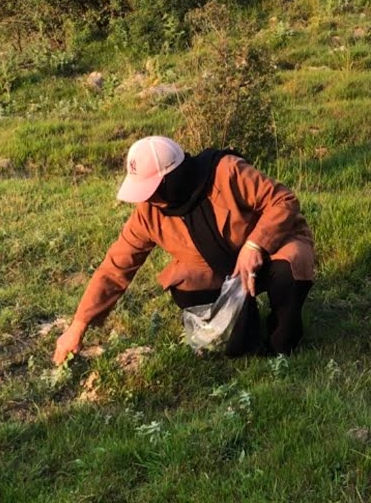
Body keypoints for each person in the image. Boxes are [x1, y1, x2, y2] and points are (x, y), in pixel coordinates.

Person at [54, 136, 315, 363]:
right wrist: (78, 326)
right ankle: (245, 326)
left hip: (271, 249)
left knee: (288, 271)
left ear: (172, 179)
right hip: (220, 266)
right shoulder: (149, 213)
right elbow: (115, 267)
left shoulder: (226, 171)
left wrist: (255, 244)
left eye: (152, 190)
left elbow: (283, 200)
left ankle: (281, 343)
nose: (148, 199)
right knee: (194, 297)